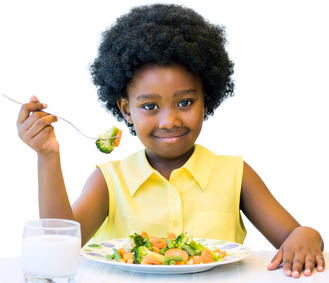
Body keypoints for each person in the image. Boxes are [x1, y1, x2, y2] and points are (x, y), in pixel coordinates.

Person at [16, 4, 324, 278]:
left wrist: (308, 235)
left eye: (186, 102)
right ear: (126, 110)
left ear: (207, 100)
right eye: (150, 106)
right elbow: (62, 242)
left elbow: (293, 236)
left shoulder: (235, 174)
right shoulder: (110, 180)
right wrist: (47, 156)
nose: (170, 120)